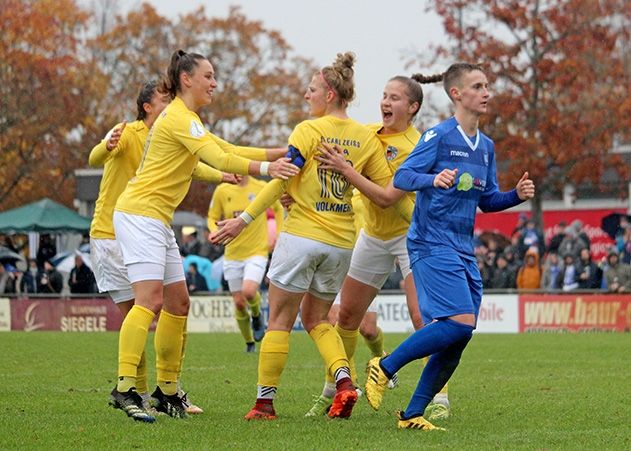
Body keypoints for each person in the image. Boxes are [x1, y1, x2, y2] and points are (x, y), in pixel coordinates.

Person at [212, 52, 412, 421]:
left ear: (331, 94)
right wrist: (420, 221)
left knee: (280, 321)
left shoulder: (308, 130)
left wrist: (243, 218)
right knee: (319, 318)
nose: (307, 96)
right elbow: (387, 192)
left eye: (312, 89)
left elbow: (281, 180)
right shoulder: (364, 138)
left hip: (302, 236)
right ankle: (343, 381)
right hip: (342, 243)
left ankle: (264, 404)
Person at [111, 50, 298, 421]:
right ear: (186, 79)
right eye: (209, 76)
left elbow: (226, 149)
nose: (214, 83)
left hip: (154, 218)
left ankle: (167, 392)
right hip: (138, 214)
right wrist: (268, 166)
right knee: (147, 301)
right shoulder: (179, 116)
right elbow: (222, 158)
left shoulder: (187, 118)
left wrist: (284, 150)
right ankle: (125, 388)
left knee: (179, 303)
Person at [363, 62, 535, 430]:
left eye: (487, 85)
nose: (486, 92)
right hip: (429, 242)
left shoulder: (485, 147)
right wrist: (432, 178)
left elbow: (487, 200)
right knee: (458, 323)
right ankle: (384, 365)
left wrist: (515, 196)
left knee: (460, 336)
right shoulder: (438, 136)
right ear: (457, 94)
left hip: (462, 247)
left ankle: (411, 415)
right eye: (478, 86)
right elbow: (403, 176)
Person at [305, 73, 452, 420]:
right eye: (384, 96)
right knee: (347, 317)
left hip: (411, 236)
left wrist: (345, 168)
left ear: (413, 107)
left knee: (424, 318)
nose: (386, 102)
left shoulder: (417, 145)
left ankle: (439, 399)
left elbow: (387, 198)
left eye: (395, 98)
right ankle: (339, 391)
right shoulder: (368, 135)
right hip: (372, 236)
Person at [208, 175, 283, 353]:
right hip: (232, 253)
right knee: (239, 303)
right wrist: (213, 231)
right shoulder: (222, 190)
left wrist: (279, 233)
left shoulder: (262, 186)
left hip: (257, 252)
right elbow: (211, 217)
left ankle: (257, 315)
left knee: (249, 291)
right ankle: (249, 343)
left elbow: (278, 208)